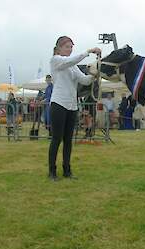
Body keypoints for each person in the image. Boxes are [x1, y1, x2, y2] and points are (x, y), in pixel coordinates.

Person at [48, 35, 101, 181]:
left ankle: (67, 170)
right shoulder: (56, 60)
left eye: (71, 47)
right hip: (58, 104)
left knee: (68, 140)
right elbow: (72, 59)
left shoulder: (72, 65)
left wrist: (95, 75)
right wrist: (88, 51)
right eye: (67, 46)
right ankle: (52, 171)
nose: (70, 49)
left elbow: (83, 79)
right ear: (59, 48)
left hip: (72, 105)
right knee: (57, 139)